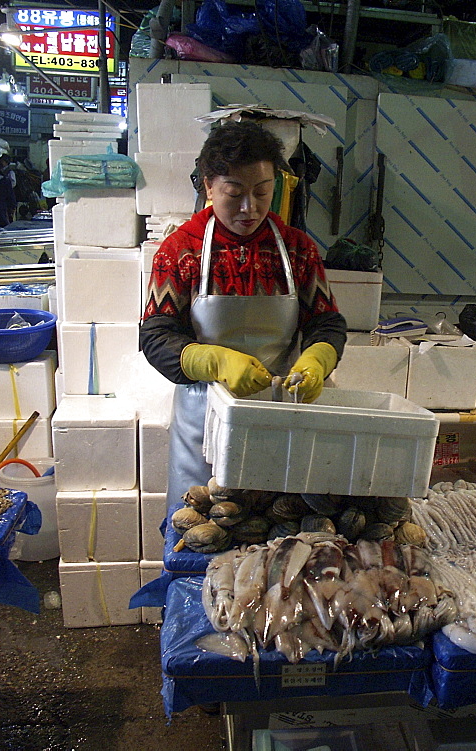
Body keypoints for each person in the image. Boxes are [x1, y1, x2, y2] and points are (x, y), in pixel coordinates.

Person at [140, 121, 346, 510]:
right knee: (202, 529)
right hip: (204, 422)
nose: (249, 207)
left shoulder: (297, 248)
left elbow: (325, 321)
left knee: (279, 532)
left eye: (262, 192)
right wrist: (213, 359)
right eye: (234, 194)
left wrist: (318, 358)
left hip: (282, 412)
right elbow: (155, 335)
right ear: (208, 187)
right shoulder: (179, 251)